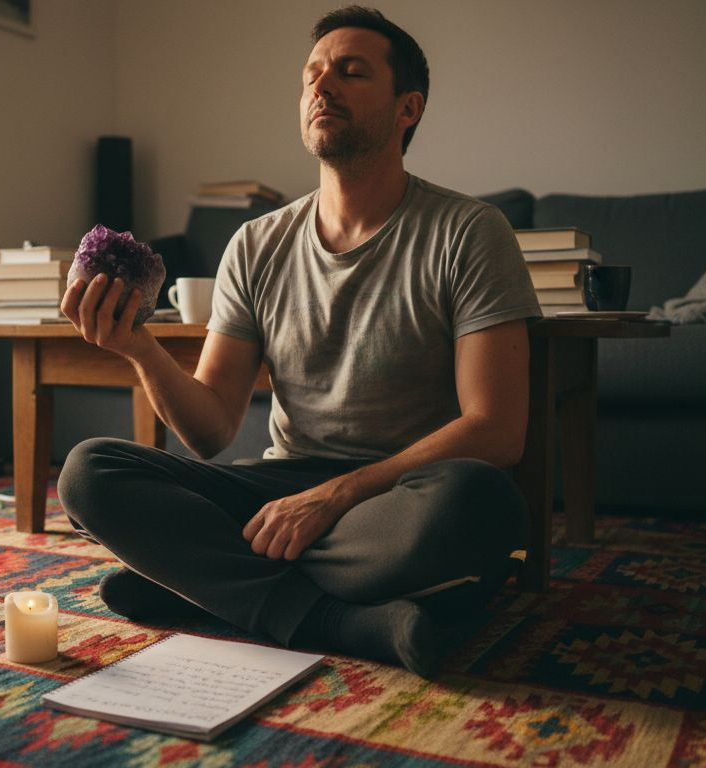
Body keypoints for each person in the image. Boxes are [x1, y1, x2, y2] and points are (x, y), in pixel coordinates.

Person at [55, 5, 540, 677]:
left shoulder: (469, 231)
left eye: (350, 71)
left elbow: (496, 430)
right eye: (313, 73)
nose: (322, 86)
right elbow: (211, 430)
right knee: (89, 472)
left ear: (408, 108)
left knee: (478, 504)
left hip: (399, 496)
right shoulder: (256, 243)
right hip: (281, 489)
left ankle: (203, 582)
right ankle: (339, 620)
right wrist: (140, 347)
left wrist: (337, 497)